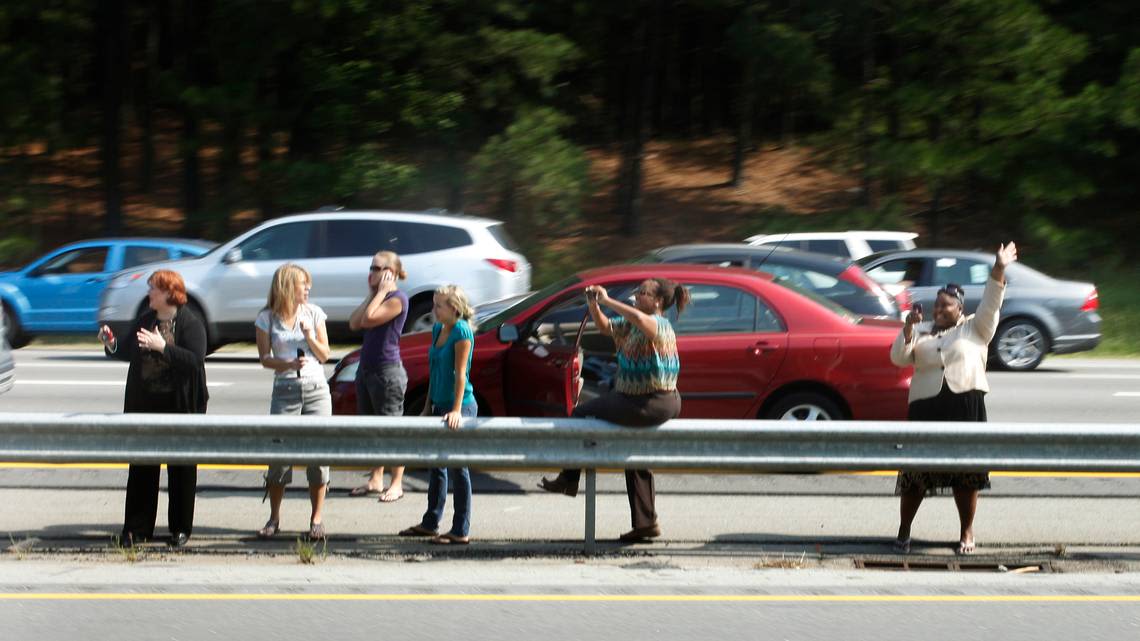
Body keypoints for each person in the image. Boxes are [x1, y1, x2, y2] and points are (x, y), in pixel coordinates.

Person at [889, 242, 1018, 555]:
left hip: (965, 405)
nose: (938, 311)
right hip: (926, 408)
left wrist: (998, 269)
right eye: (936, 306)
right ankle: (904, 532)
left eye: (945, 306)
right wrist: (908, 329)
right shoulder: (921, 333)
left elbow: (992, 301)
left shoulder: (976, 329)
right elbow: (899, 358)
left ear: (960, 308)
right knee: (916, 475)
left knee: (966, 476)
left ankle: (966, 533)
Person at [538, 278, 689, 543]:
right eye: (638, 292)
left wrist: (608, 300)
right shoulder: (632, 324)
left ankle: (569, 477)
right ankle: (646, 524)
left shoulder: (658, 324)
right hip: (642, 398)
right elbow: (606, 327)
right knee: (635, 457)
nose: (638, 296)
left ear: (657, 302)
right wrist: (594, 304)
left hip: (651, 401)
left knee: (581, 415)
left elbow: (644, 323)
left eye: (643, 293)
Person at [98, 270, 207, 548]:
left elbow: (195, 361)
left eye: (153, 290)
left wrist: (163, 347)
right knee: (142, 467)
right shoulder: (146, 320)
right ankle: (137, 529)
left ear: (169, 293)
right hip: (145, 403)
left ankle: (180, 528)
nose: (149, 294)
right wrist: (110, 343)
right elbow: (125, 349)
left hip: (180, 406)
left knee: (181, 469)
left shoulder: (190, 323)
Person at [253, 264, 332, 541]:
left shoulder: (314, 313)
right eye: (302, 284)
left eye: (308, 284)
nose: (307, 289)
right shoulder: (267, 318)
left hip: (316, 389)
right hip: (285, 389)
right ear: (288, 287)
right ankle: (274, 517)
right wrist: (287, 362)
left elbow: (324, 355)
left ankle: (317, 519)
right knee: (279, 458)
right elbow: (264, 359)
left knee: (318, 456)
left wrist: (309, 334)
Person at [397, 285, 478, 545]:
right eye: (434, 304)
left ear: (454, 308)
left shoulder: (462, 332)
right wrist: (427, 406)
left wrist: (455, 410)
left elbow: (460, 375)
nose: (434, 309)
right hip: (439, 405)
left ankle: (460, 529)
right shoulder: (437, 329)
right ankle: (431, 522)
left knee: (458, 467)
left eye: (439, 305)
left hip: (460, 406)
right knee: (436, 466)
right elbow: (434, 371)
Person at [347, 251, 410, 502]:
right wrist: (374, 293)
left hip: (387, 371)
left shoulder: (398, 298)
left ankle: (396, 483)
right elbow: (355, 322)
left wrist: (382, 292)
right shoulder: (377, 297)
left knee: (391, 430)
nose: (370, 273)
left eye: (376, 268)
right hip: (367, 369)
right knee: (372, 429)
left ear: (390, 273)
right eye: (370, 268)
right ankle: (375, 479)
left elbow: (369, 319)